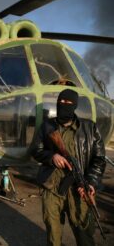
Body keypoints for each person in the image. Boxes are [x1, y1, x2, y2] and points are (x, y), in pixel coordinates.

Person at [30, 89, 106, 246]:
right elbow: (35, 151)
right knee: (53, 234)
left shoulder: (89, 128)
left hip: (78, 191)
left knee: (84, 234)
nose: (63, 105)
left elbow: (99, 160)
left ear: (75, 106)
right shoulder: (47, 126)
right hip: (52, 188)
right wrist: (52, 157)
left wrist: (91, 182)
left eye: (68, 103)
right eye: (61, 102)